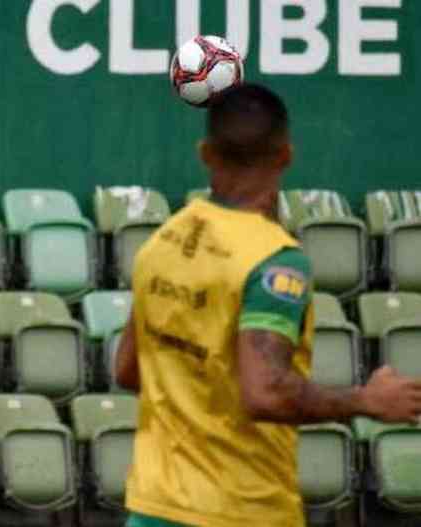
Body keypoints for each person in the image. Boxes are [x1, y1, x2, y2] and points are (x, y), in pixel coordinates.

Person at [115, 84, 421, 527]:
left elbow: (128, 370)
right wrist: (367, 400)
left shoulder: (162, 242)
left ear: (205, 153)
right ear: (285, 156)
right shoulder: (275, 262)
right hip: (242, 509)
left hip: (154, 506)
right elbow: (264, 392)